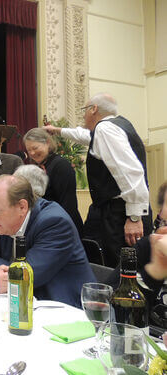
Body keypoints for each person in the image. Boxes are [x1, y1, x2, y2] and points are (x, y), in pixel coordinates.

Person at [44, 93, 152, 267]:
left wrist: (134, 217)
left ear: (93, 109)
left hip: (121, 214)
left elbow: (131, 173)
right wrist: (57, 131)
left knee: (122, 269)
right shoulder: (115, 126)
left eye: (84, 110)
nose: (83, 115)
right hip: (117, 212)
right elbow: (85, 137)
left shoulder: (105, 129)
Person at [0, 175, 95, 308]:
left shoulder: (54, 222)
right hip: (22, 305)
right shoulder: (3, 221)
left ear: (22, 207)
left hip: (66, 312)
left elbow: (25, 277)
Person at [23, 127, 84, 235]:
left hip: (62, 228)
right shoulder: (37, 167)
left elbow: (67, 204)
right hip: (46, 225)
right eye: (28, 150)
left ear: (47, 143)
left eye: (35, 148)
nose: (32, 153)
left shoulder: (61, 165)